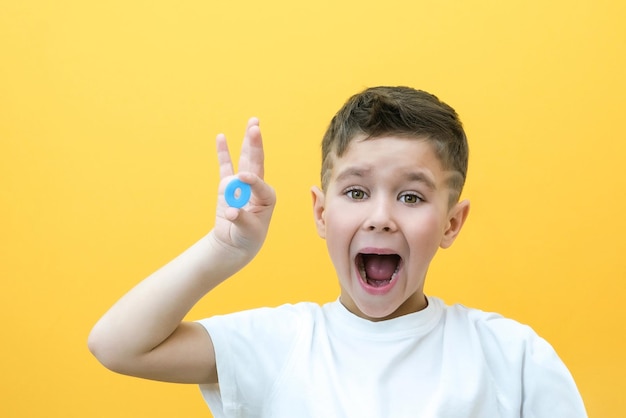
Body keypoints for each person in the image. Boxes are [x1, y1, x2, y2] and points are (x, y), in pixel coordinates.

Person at [88, 86, 587, 417]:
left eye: (411, 197)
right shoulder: (280, 344)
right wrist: (224, 249)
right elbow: (117, 345)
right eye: (355, 192)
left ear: (451, 223)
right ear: (321, 214)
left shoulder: (513, 357)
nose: (380, 216)